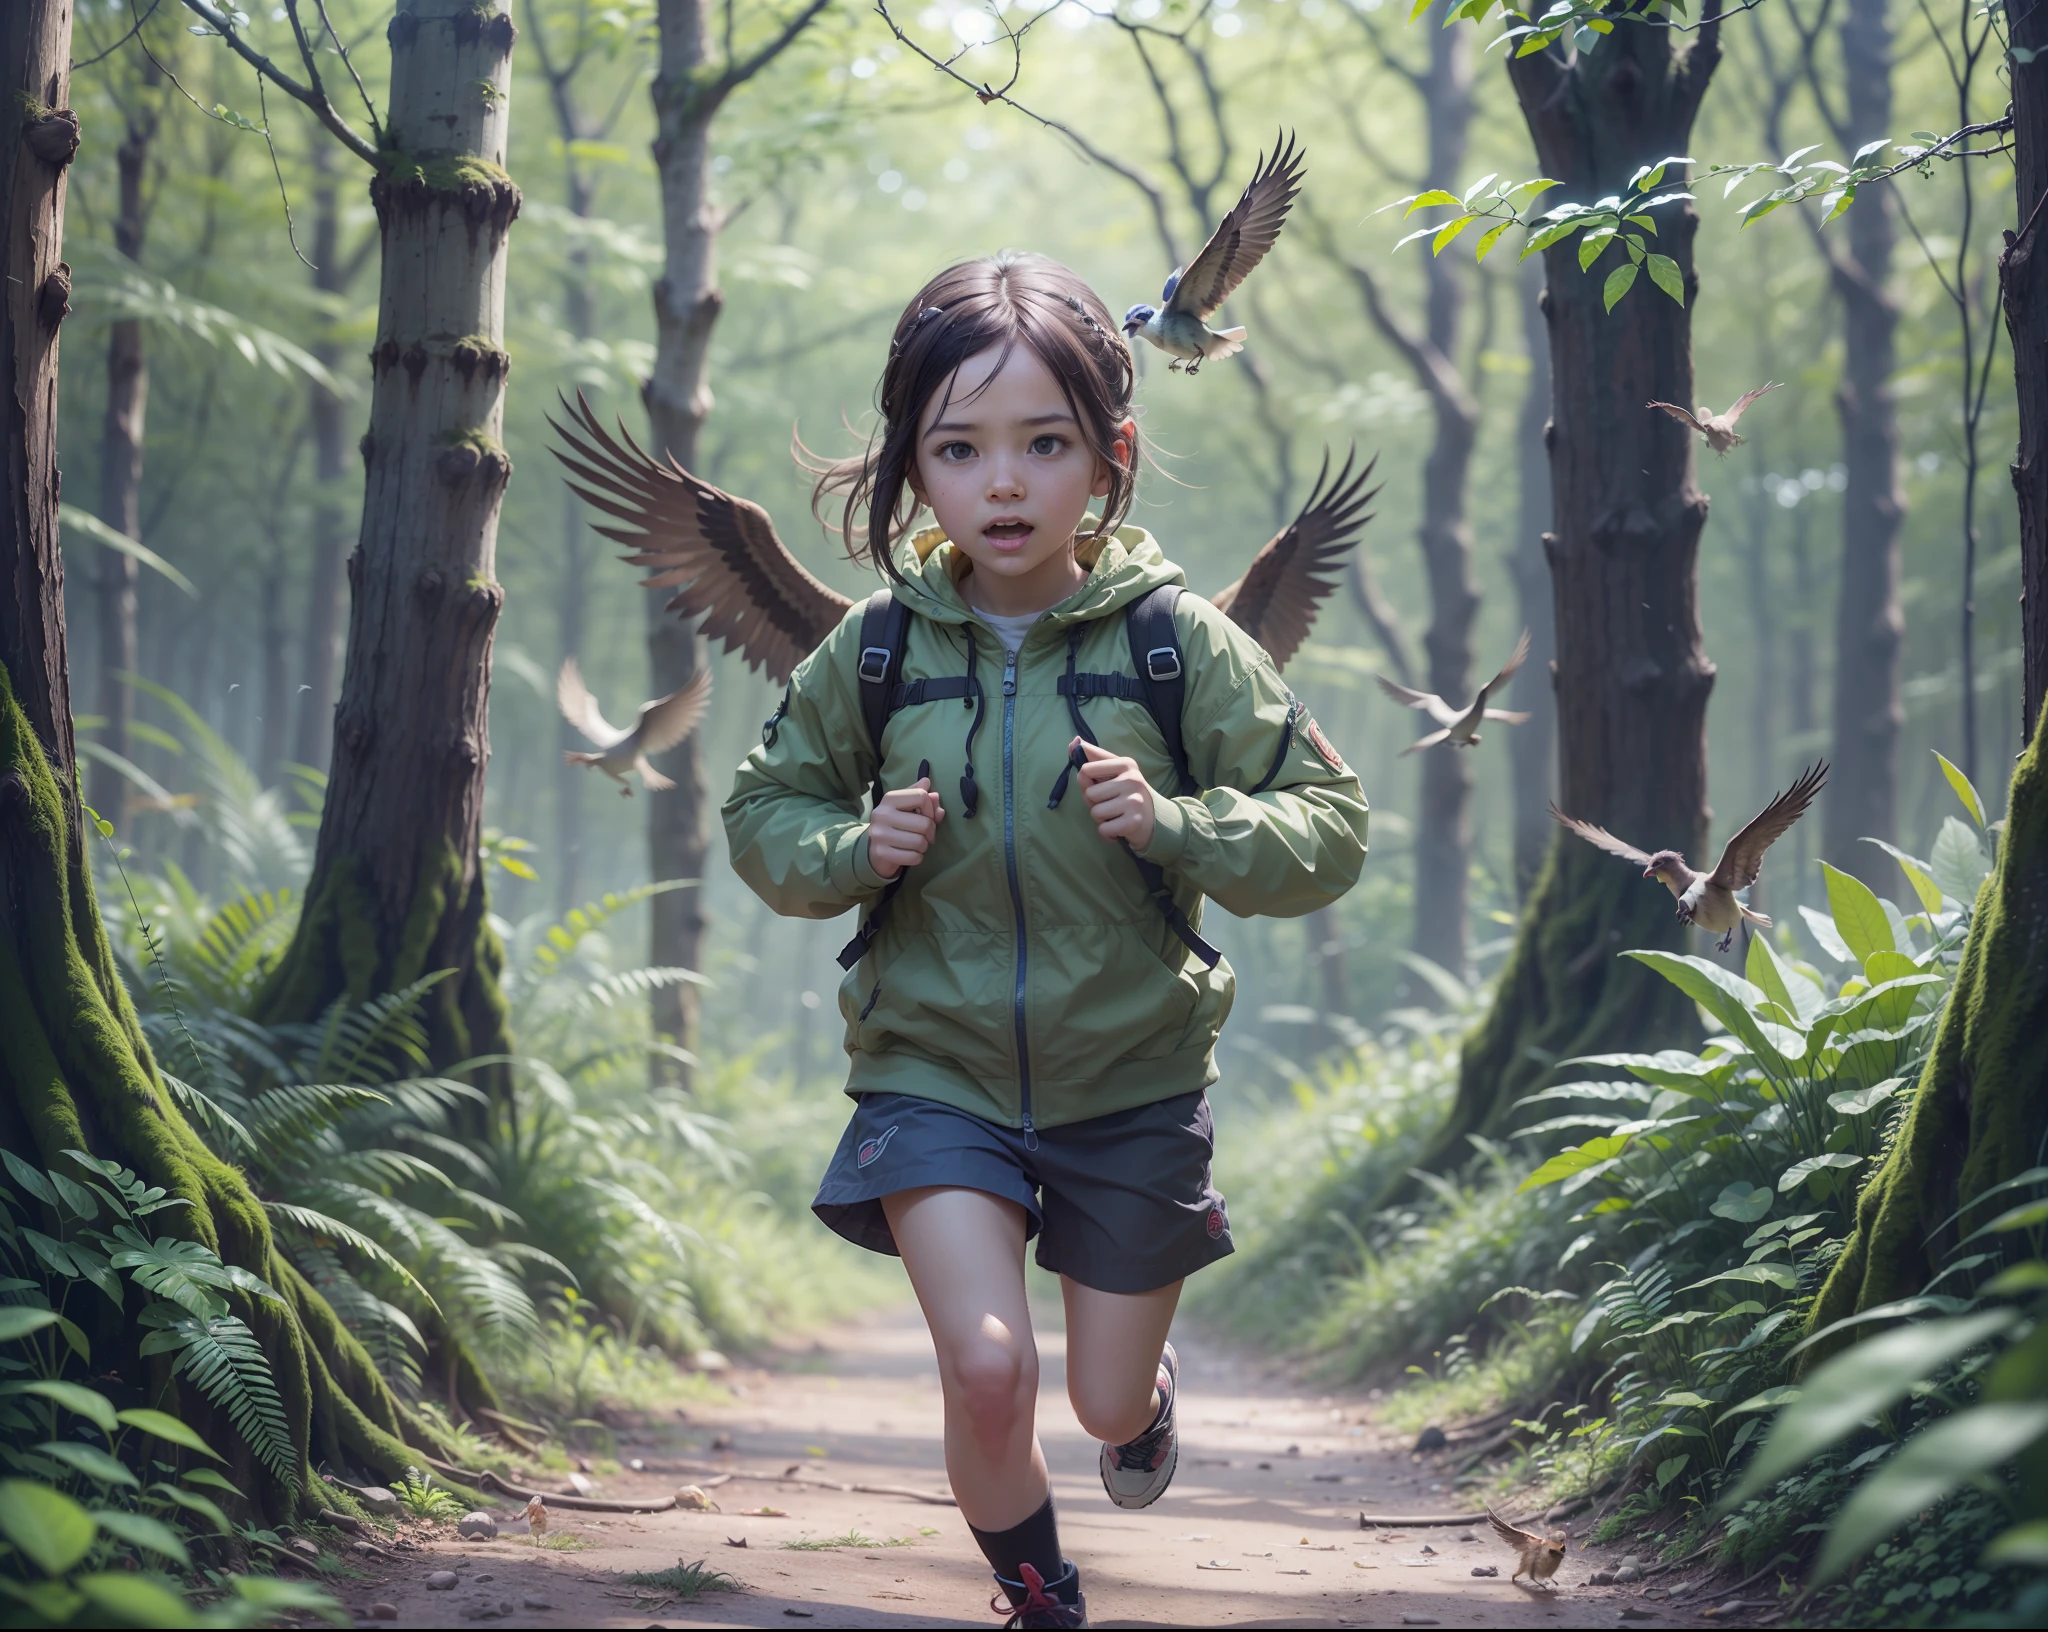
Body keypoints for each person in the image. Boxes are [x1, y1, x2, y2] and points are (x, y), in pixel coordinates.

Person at [723, 251, 1369, 1629]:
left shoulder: (1177, 645)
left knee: (1098, 1395)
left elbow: (1331, 827)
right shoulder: (876, 649)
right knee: (993, 1368)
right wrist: (852, 850)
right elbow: (764, 812)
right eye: (959, 449)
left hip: (1131, 1082)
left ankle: (1145, 1407)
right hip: (933, 1072)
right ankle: (1041, 1592)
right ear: (915, 465)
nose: (1001, 483)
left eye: (1042, 445)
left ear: (1109, 454)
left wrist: (1181, 823)